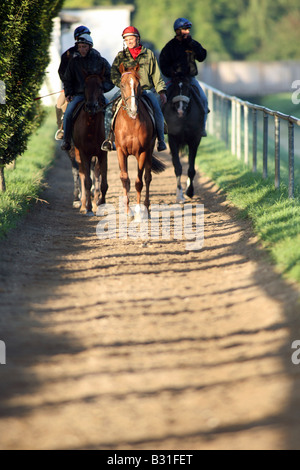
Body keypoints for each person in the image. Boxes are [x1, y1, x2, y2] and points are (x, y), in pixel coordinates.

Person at [101, 26, 167, 152]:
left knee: (157, 110)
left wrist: (161, 91)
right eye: (126, 40)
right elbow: (114, 74)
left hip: (145, 90)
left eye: (131, 38)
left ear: (138, 39)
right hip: (126, 92)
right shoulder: (121, 56)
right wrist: (122, 84)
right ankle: (108, 139)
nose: (129, 41)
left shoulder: (148, 54)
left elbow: (156, 74)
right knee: (109, 108)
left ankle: (161, 140)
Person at [61, 33, 114, 151]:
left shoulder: (100, 60)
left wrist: (102, 89)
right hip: (79, 95)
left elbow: (111, 77)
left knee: (110, 109)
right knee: (68, 112)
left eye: (84, 47)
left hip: (97, 96)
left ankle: (110, 139)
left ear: (90, 47)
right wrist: (69, 93)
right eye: (79, 47)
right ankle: (66, 140)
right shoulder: (74, 62)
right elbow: (67, 79)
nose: (81, 49)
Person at [159, 18, 208, 136]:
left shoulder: (192, 44)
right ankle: (160, 130)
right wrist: (172, 73)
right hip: (172, 80)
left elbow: (202, 57)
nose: (187, 31)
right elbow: (163, 64)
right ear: (177, 31)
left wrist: (193, 44)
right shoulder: (169, 46)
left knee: (204, 99)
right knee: (158, 100)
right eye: (184, 29)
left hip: (189, 79)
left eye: (188, 29)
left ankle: (202, 128)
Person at [55, 25, 91, 140]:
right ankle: (62, 128)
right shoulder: (68, 55)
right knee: (59, 104)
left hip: (90, 89)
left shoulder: (93, 54)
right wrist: (68, 87)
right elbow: (62, 72)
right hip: (71, 88)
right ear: (76, 38)